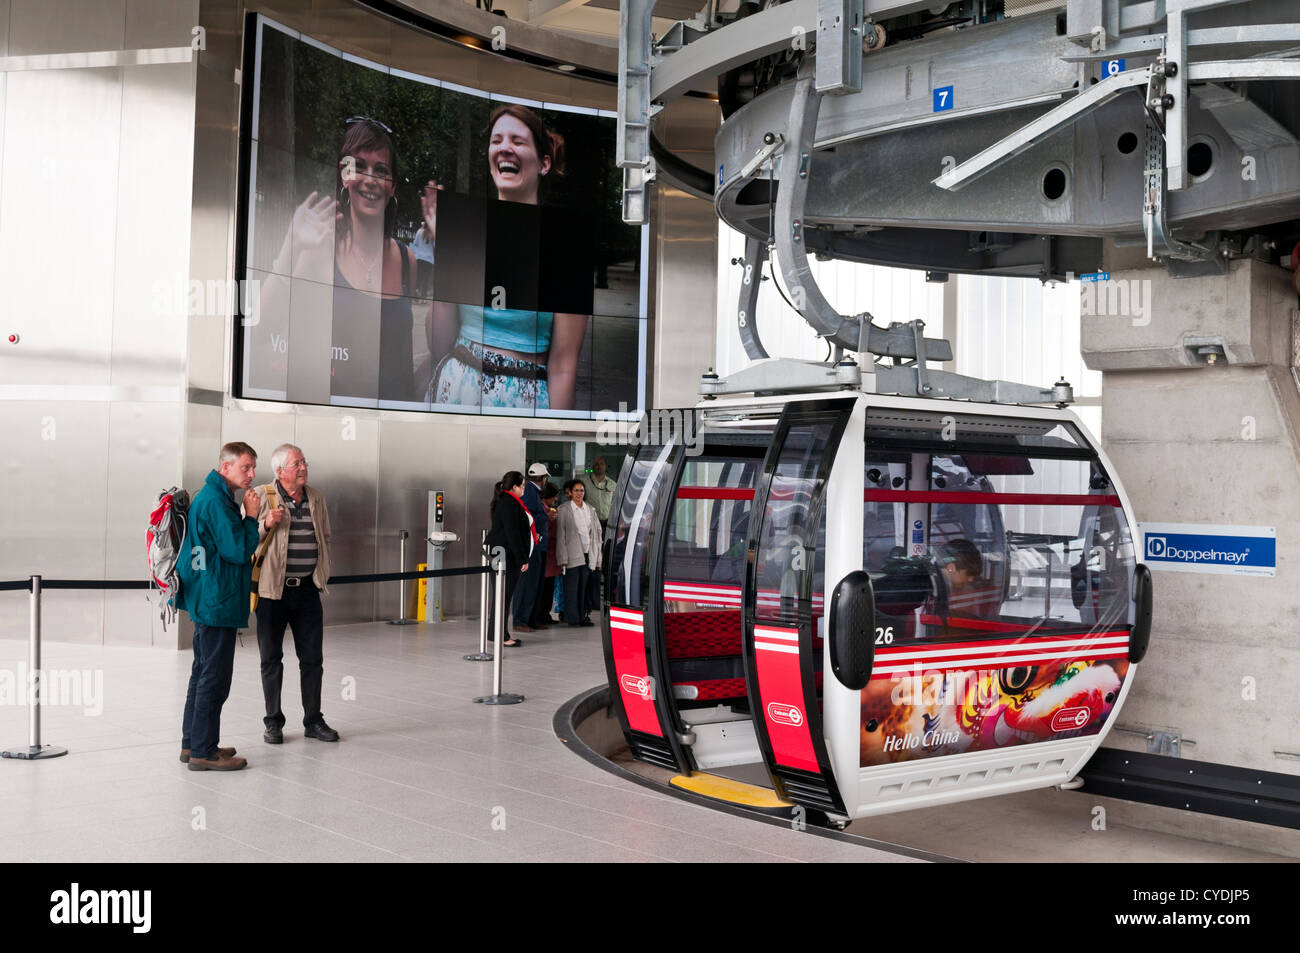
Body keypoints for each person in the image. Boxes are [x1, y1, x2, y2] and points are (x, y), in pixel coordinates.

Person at [425, 104, 588, 410]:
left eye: (517, 141)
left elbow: (564, 367)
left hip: (523, 405)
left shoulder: (567, 246)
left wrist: (554, 441)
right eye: (496, 141)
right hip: (455, 392)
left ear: (544, 163)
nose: (505, 148)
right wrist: (447, 256)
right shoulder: (466, 233)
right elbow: (438, 344)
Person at [262, 116, 418, 402]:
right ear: (344, 176)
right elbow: (263, 327)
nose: (370, 180)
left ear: (393, 186)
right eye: (358, 167)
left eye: (381, 170)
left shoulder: (408, 260)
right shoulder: (319, 251)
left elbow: (404, 361)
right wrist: (291, 245)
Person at [177, 442, 273, 771]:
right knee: (214, 678)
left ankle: (193, 744)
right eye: (245, 467)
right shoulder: (217, 501)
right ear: (225, 466)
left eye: (253, 467)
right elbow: (236, 550)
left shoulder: (212, 496)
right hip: (217, 601)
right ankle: (204, 751)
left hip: (208, 599)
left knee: (202, 674)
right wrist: (250, 516)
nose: (251, 474)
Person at [252, 444, 339, 745]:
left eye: (304, 462)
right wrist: (265, 524)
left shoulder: (316, 498)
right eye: (296, 464)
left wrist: (321, 574)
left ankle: (313, 721)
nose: (303, 468)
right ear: (279, 471)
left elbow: (325, 536)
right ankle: (273, 722)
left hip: (307, 591)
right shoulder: (261, 496)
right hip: (271, 593)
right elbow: (243, 537)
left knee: (313, 658)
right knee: (271, 658)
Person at [484, 471, 535, 647]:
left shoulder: (508, 502)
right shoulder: (509, 504)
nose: (523, 489)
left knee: (502, 596)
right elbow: (512, 533)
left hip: (504, 554)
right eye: (522, 486)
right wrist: (523, 559)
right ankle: (501, 635)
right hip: (505, 555)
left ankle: (497, 633)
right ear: (514, 487)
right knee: (503, 596)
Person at [555, 478, 602, 627]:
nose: (579, 493)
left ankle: (583, 616)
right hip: (572, 553)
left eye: (581, 490)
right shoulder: (564, 509)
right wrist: (562, 557)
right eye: (576, 490)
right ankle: (572, 618)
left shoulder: (590, 509)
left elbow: (596, 533)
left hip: (588, 553)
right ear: (570, 492)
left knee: (584, 587)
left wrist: (598, 557)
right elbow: (560, 535)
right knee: (572, 587)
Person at [513, 462, 550, 633]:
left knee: (535, 584)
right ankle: (521, 620)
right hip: (532, 545)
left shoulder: (533, 492)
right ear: (543, 478)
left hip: (538, 544)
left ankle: (531, 619)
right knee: (527, 584)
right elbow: (528, 516)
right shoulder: (530, 492)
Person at [531, 482, 561, 628]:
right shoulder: (542, 510)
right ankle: (540, 616)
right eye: (554, 497)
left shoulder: (547, 509)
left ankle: (545, 615)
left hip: (551, 553)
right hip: (545, 551)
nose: (555, 501)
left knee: (548, 587)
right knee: (544, 588)